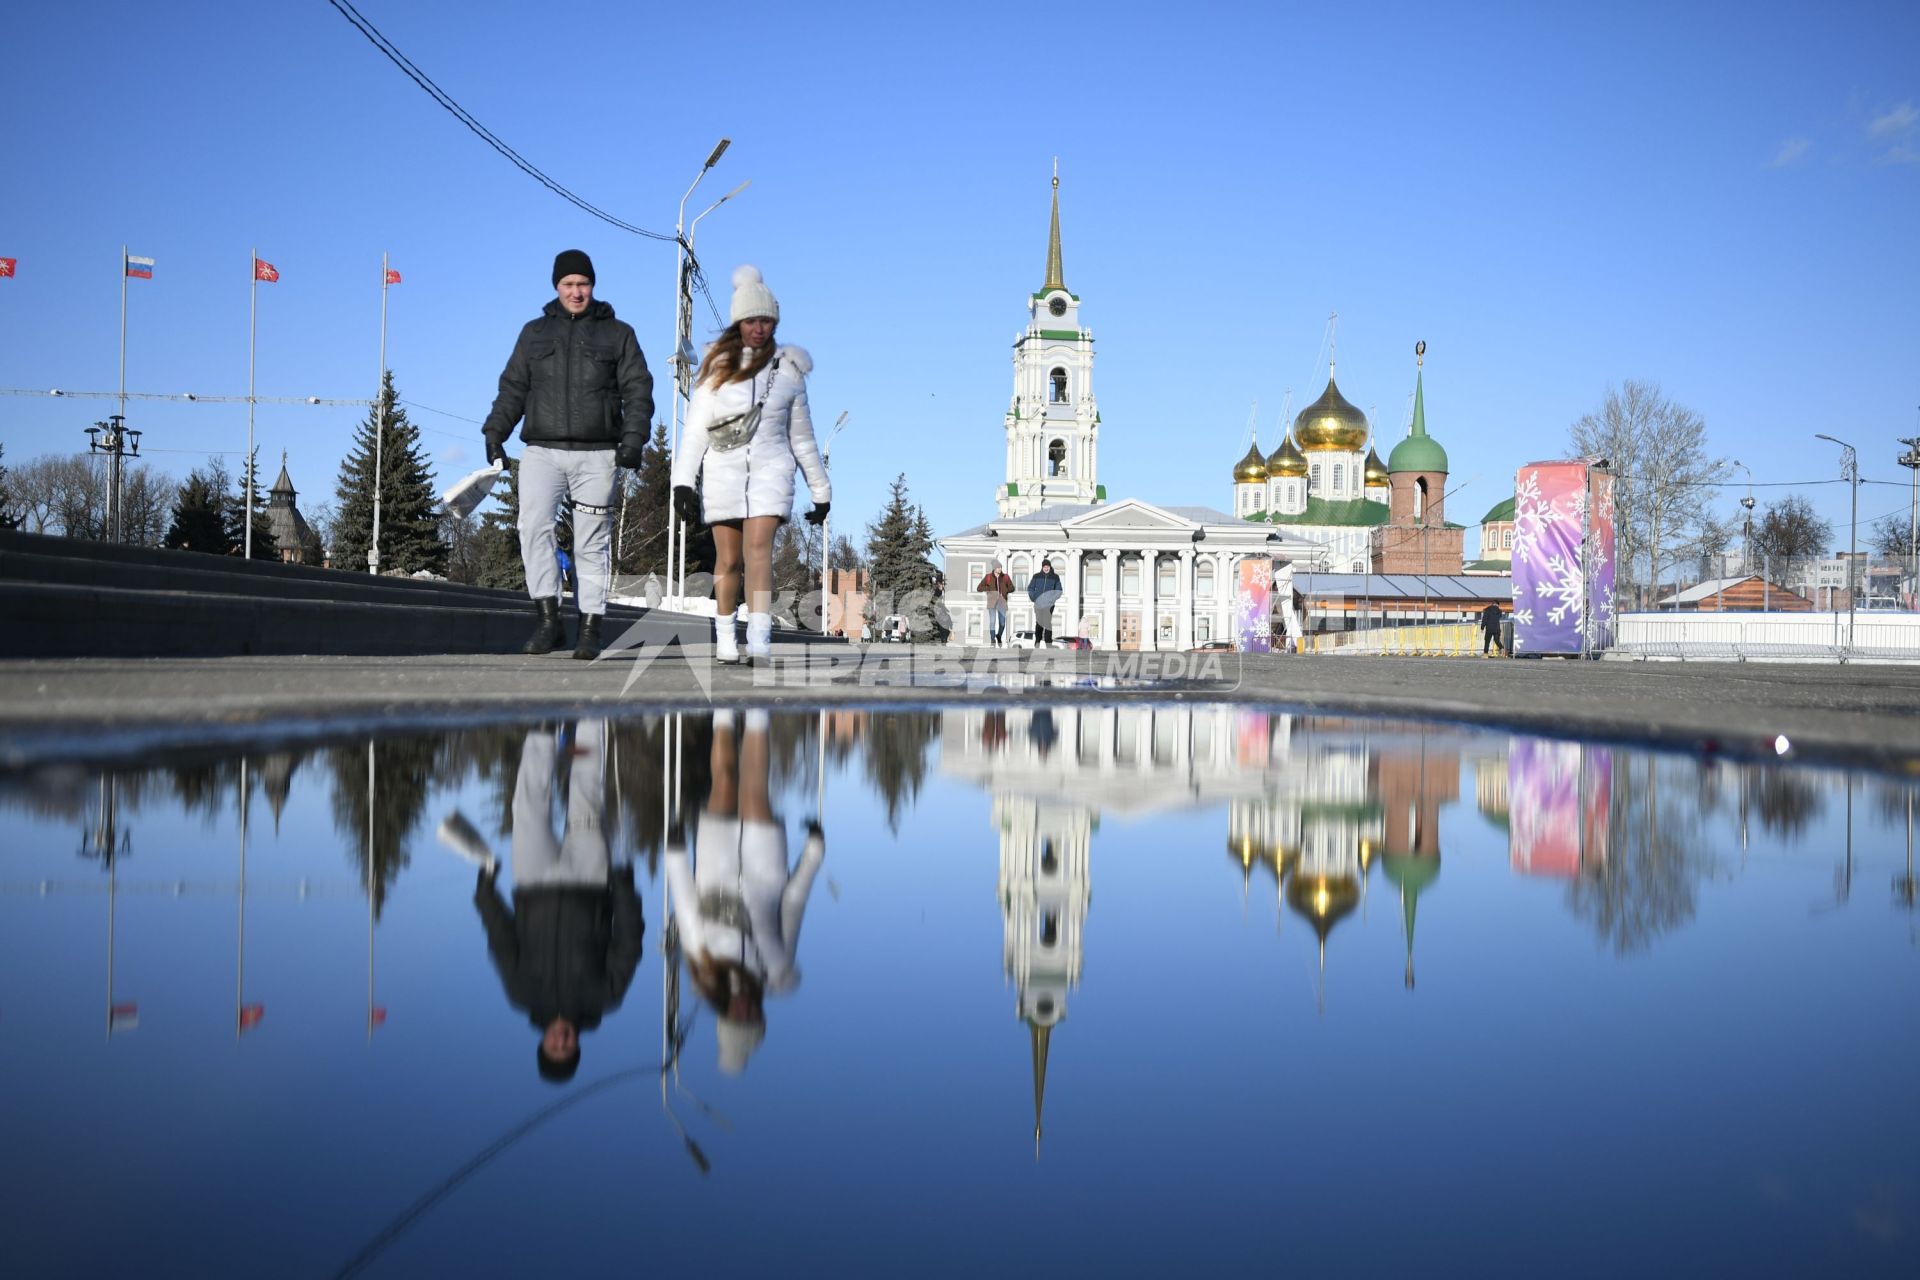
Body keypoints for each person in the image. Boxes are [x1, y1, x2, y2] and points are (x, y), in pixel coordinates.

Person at [481, 250, 654, 660]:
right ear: (556, 286)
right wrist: (495, 432)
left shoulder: (618, 334)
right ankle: (548, 621)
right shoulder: (533, 334)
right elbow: (513, 388)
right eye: (568, 284)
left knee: (591, 544)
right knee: (532, 528)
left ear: (593, 286)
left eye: (583, 284)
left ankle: (590, 627)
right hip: (542, 451)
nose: (576, 292)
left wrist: (633, 440)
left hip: (597, 456)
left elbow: (638, 390)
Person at [671, 266, 830, 664]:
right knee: (729, 559)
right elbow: (695, 431)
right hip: (723, 470)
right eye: (751, 320)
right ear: (739, 322)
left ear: (774, 321)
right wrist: (682, 482)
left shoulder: (789, 372)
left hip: (771, 470)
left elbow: (803, 437)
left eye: (766, 320)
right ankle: (726, 635)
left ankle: (759, 640)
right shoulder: (716, 368)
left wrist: (820, 490)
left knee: (758, 549)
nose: (758, 328)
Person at [473, 720, 645, 1084]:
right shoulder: (604, 999)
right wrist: (624, 889)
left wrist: (485, 895)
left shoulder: (522, 994)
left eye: (553, 1046)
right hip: (589, 883)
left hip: (534, 885)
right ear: (577, 1045)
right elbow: (628, 944)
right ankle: (589, 720)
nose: (561, 1039)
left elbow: (502, 941)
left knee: (527, 811)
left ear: (543, 1042)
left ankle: (542, 730)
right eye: (567, 1047)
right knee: (585, 793)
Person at [665, 709, 826, 1075]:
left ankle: (723, 713)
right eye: (753, 1018)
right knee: (754, 793)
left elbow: (687, 910)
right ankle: (756, 713)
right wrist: (813, 854)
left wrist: (675, 853)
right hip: (764, 872)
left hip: (715, 869)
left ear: (725, 1017)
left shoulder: (703, 970)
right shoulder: (777, 971)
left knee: (723, 781)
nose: (747, 1012)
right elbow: (793, 905)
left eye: (738, 1019)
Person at [977, 560, 1014, 646]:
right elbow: (979, 588)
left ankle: (999, 636)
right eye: (998, 567)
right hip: (992, 602)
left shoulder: (1006, 577)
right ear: (994, 568)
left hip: (1002, 602)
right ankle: (992, 639)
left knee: (1002, 623)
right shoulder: (988, 577)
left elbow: (1012, 587)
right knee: (992, 621)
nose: (1000, 569)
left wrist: (1005, 591)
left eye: (1000, 567)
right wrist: (989, 589)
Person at [1028, 558, 1063, 646]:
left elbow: (1059, 590)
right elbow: (1030, 588)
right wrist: (1034, 598)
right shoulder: (1036, 576)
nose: (1046, 568)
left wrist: (1052, 599)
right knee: (1039, 622)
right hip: (1038, 603)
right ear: (1042, 567)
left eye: (1047, 566)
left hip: (1049, 604)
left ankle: (1048, 642)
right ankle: (1037, 641)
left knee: (1047, 622)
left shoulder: (1055, 577)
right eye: (1044, 566)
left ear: (1050, 567)